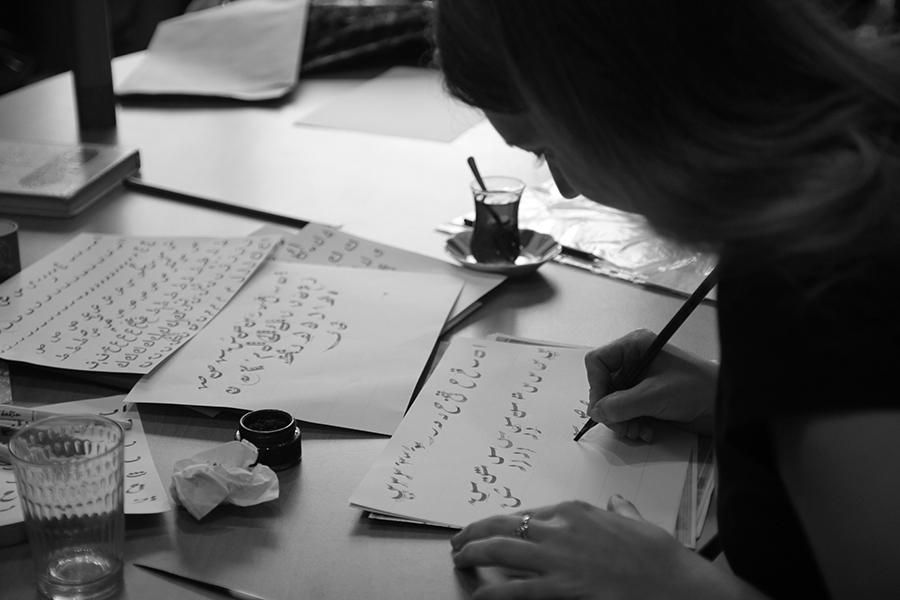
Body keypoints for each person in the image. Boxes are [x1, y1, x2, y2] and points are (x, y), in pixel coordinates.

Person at [433, 1, 900, 599]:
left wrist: (670, 582)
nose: (568, 186)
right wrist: (739, 403)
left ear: (634, 90)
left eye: (549, 147)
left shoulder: (815, 263)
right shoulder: (863, 130)